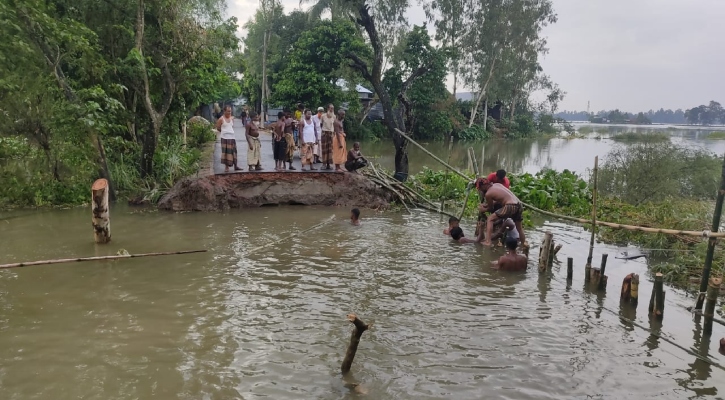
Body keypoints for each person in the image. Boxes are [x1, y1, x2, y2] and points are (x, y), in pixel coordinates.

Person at [477, 178, 526, 247]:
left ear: (483, 186)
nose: (481, 190)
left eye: (480, 188)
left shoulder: (488, 194)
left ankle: (488, 242)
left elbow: (491, 208)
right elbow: (499, 199)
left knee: (490, 219)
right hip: (519, 204)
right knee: (519, 228)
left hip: (510, 206)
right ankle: (524, 244)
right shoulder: (497, 185)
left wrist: (483, 210)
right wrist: (486, 205)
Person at [215, 105, 242, 173]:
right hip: (224, 138)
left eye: (230, 111)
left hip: (232, 137)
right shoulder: (221, 119)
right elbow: (218, 127)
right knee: (226, 152)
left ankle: (236, 166)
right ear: (224, 111)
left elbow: (231, 126)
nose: (229, 112)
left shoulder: (232, 118)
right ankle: (226, 167)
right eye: (228, 111)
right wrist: (224, 132)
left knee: (234, 152)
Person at [320, 104, 336, 170]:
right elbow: (321, 124)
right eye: (331, 108)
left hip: (331, 134)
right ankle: (324, 164)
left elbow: (334, 125)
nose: (332, 109)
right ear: (328, 108)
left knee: (330, 150)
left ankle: (329, 164)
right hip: (324, 133)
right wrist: (324, 131)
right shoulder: (323, 116)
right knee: (324, 149)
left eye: (333, 108)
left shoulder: (334, 116)